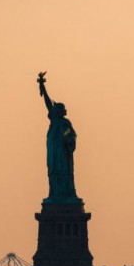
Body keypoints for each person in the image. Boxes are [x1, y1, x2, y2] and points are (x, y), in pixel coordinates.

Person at [37, 72, 78, 200]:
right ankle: (54, 193)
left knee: (63, 172)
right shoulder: (55, 121)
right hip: (54, 151)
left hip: (63, 154)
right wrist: (43, 87)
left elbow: (72, 135)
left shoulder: (65, 123)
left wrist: (68, 140)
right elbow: (48, 103)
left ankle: (65, 193)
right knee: (53, 172)